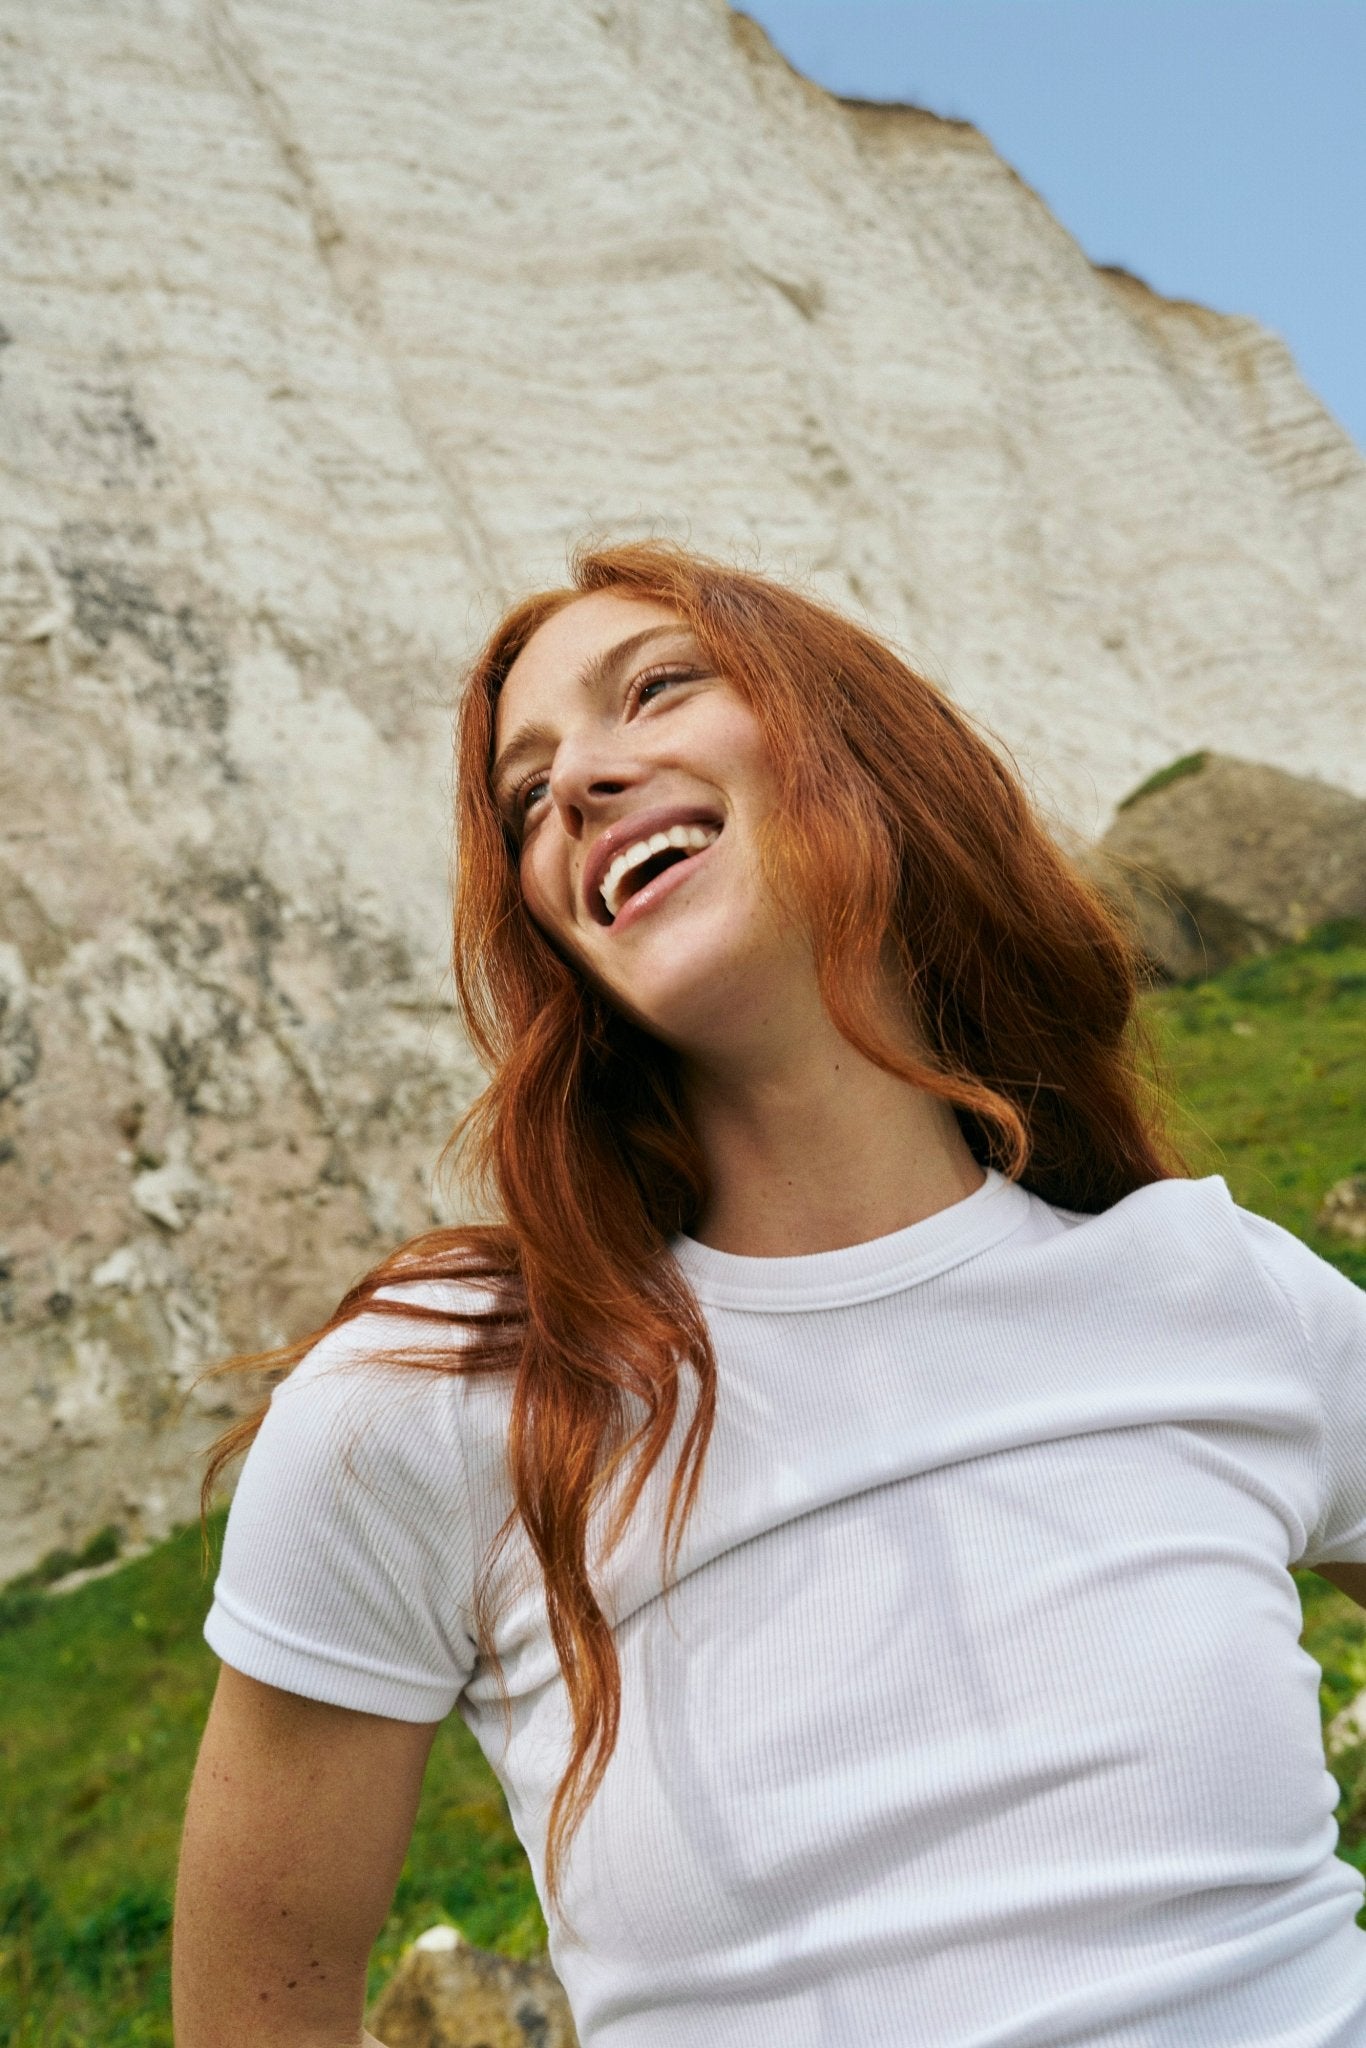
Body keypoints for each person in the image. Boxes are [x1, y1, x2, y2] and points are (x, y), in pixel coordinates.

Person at [173, 542, 1366, 2048]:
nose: (578, 791)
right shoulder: (425, 1409)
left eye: (655, 690)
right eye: (527, 799)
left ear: (864, 749)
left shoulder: (1222, 1289)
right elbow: (257, 2010)